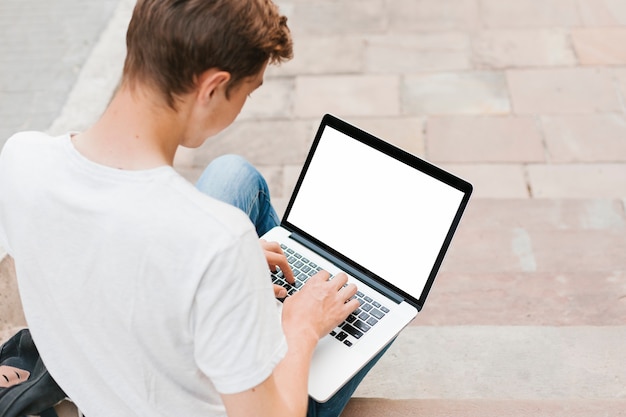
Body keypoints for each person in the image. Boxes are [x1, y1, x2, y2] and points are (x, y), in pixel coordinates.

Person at [0, 0, 391, 416]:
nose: (242, 108)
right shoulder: (218, 240)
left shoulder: (22, 156)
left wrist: (220, 280)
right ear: (211, 88)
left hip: (102, 374)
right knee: (378, 296)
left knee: (233, 174)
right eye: (247, 91)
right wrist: (301, 327)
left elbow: (109, 248)